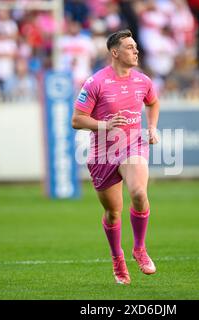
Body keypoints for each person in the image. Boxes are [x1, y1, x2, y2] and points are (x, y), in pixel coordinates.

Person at [71, 29, 160, 285]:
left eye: (136, 47)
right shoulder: (96, 82)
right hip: (103, 153)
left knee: (139, 194)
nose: (136, 51)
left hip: (133, 145)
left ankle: (139, 249)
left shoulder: (143, 81)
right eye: (130, 47)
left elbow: (153, 103)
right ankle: (117, 257)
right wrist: (105, 125)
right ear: (115, 52)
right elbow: (76, 120)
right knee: (113, 212)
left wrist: (152, 127)